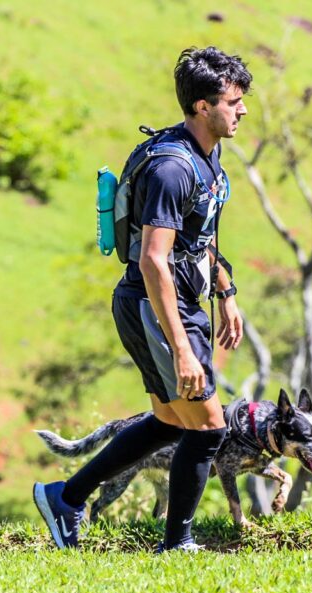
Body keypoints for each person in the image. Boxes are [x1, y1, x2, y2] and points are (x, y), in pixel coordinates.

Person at [34, 46, 252, 552]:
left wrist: (226, 291)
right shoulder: (171, 168)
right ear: (202, 106)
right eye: (233, 102)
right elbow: (155, 259)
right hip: (156, 305)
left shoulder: (206, 154)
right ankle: (177, 543)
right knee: (209, 429)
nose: (242, 110)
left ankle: (65, 497)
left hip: (163, 303)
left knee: (172, 421)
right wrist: (181, 347)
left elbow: (197, 236)